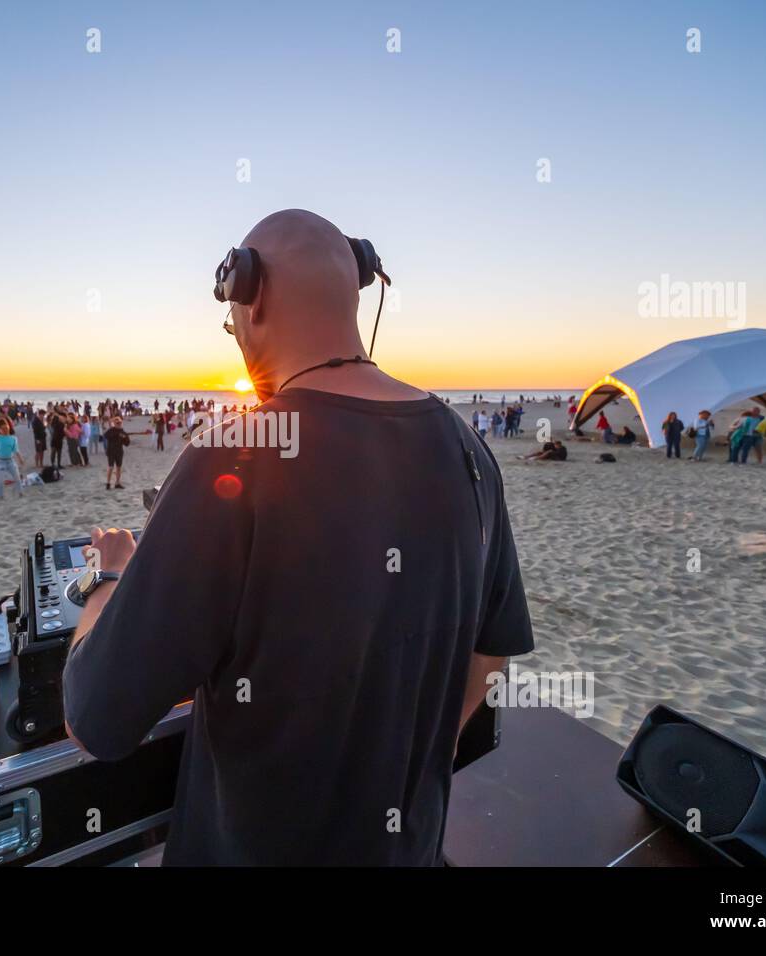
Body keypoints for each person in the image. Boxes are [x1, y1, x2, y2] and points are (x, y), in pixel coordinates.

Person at [62, 209, 534, 865]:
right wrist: (420, 755)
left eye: (231, 319)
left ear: (249, 297)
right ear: (356, 289)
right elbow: (490, 655)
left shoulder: (232, 455)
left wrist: (110, 577)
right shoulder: (468, 450)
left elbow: (95, 722)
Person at [0, 417, 25, 499]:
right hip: (0, 462)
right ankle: (1, 496)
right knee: (1, 481)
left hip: (10, 461)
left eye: (6, 428)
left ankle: (21, 493)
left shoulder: (13, 438)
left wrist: (20, 459)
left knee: (17, 478)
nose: (6, 430)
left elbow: (16, 450)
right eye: (3, 429)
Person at [102, 416, 129, 490]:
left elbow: (127, 443)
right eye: (117, 423)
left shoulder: (123, 432)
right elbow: (105, 436)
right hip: (111, 451)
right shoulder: (111, 430)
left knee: (119, 468)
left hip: (119, 452)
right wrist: (116, 433)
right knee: (111, 467)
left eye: (120, 423)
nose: (119, 424)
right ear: (114, 423)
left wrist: (123, 437)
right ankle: (108, 483)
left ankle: (117, 483)